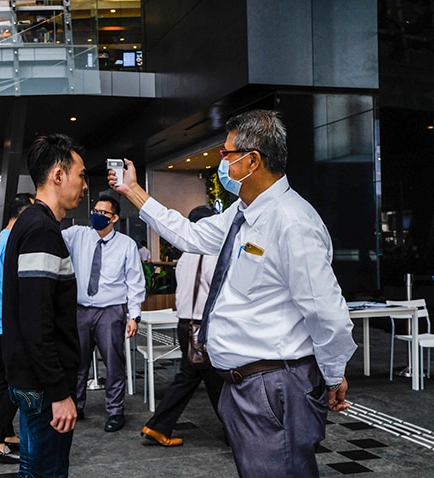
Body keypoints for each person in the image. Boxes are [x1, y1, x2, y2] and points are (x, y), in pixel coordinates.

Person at [109, 109, 356, 477]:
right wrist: (133, 190)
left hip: (273, 387)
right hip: (244, 387)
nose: (221, 163)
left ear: (252, 160)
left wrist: (334, 375)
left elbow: (326, 313)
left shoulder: (291, 222)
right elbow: (189, 235)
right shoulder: (242, 213)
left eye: (226, 155)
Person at [2, 133, 87, 477]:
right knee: (46, 472)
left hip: (30, 377)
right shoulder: (41, 230)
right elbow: (37, 321)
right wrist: (59, 392)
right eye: (80, 175)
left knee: (33, 469)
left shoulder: (30, 222)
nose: (84, 184)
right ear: (57, 175)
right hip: (42, 384)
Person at [141, 206, 224, 447]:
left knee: (193, 377)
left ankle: (158, 426)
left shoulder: (187, 255)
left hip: (185, 325)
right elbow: (217, 293)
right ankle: (237, 433)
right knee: (214, 380)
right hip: (202, 328)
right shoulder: (210, 255)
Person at [61, 195, 145, 433]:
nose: (96, 216)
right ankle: (76, 407)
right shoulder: (77, 235)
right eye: (95, 211)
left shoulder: (126, 244)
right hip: (81, 311)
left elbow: (135, 282)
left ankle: (115, 412)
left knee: (113, 363)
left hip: (111, 311)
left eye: (103, 213)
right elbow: (50, 234)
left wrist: (134, 315)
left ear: (115, 218)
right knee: (77, 362)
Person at [0, 192, 35, 464]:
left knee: (6, 378)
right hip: (8, 323)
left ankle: (7, 432)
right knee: (15, 382)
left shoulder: (1, 238)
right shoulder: (12, 242)